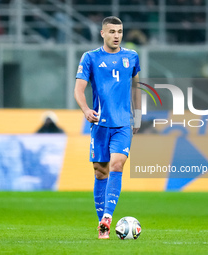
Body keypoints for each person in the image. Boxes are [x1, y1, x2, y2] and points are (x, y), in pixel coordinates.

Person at [74, 16, 141, 239]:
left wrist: (138, 115)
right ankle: (102, 225)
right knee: (100, 171)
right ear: (102, 33)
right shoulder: (90, 57)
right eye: (112, 31)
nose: (116, 35)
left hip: (123, 123)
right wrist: (85, 110)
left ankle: (108, 218)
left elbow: (136, 87)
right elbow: (79, 89)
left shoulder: (131, 56)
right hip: (100, 123)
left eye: (120, 31)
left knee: (117, 164)